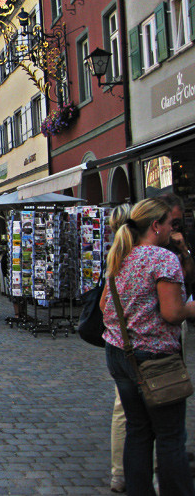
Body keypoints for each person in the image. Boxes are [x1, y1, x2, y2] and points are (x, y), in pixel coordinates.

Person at [99, 198, 195, 496]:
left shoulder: (120, 255)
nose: (171, 230)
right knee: (169, 436)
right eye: (170, 224)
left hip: (119, 352)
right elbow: (172, 313)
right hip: (155, 357)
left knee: (138, 432)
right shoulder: (162, 259)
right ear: (156, 225)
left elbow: (104, 305)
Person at [103, 204, 132, 493]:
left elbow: (102, 305)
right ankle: (158, 470)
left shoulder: (115, 258)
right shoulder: (156, 258)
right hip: (149, 347)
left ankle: (119, 473)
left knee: (122, 409)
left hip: (117, 344)